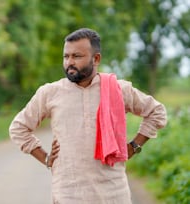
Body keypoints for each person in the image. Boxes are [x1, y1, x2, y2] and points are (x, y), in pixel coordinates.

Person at [9, 28, 167, 204]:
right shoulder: (50, 93)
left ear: (96, 58)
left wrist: (135, 145)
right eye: (66, 56)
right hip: (68, 194)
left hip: (114, 194)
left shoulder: (118, 89)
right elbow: (18, 128)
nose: (69, 62)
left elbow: (157, 112)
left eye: (76, 56)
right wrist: (46, 158)